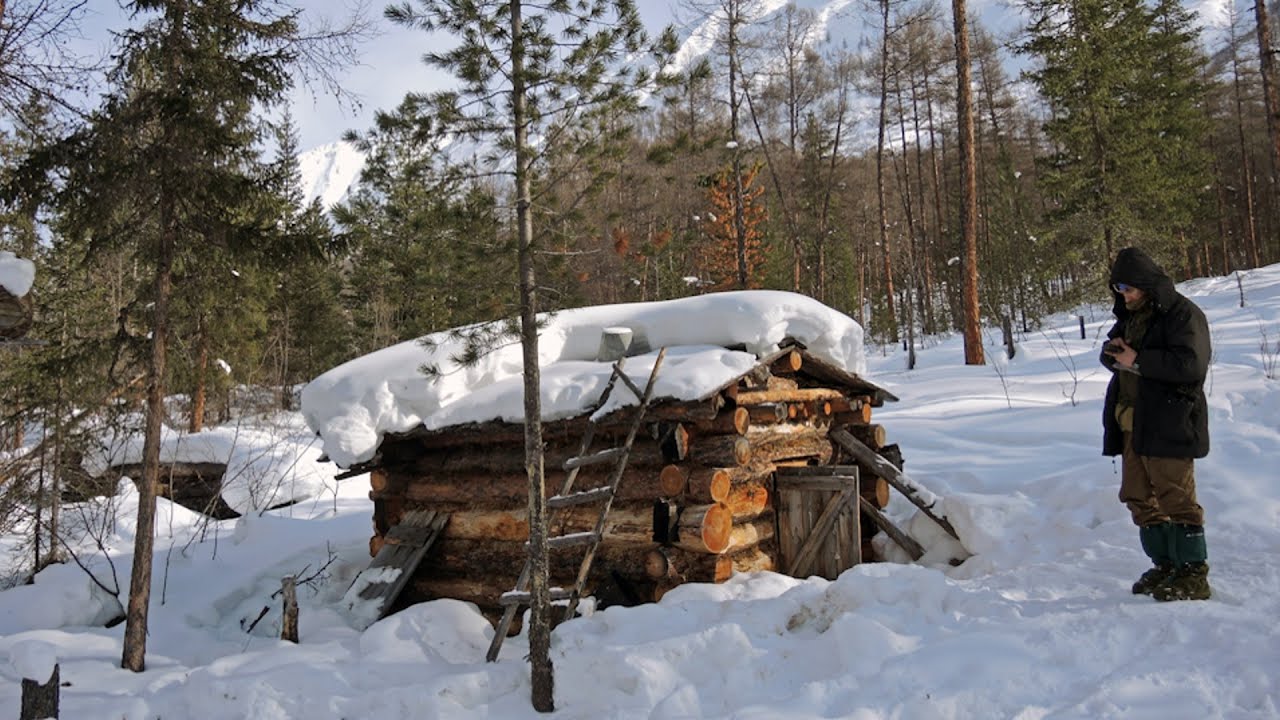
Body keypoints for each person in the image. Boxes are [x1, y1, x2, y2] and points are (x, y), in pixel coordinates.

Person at [1101, 247, 1211, 601]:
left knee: (1175, 496)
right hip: (1133, 422)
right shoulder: (1132, 316)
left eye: (1129, 289)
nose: (1125, 296)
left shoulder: (1182, 314)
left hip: (1170, 420)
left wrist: (1139, 359)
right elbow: (1129, 363)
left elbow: (1190, 366)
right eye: (1119, 290)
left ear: (1146, 284)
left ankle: (1193, 573)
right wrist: (1113, 355)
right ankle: (1166, 565)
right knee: (1137, 496)